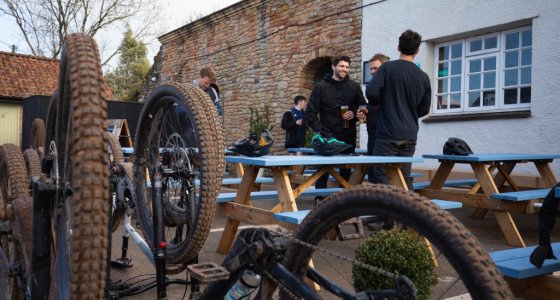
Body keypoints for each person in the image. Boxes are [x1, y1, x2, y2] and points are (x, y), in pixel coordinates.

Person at [366, 29, 431, 189]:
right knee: (404, 176)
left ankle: (386, 214)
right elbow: (424, 109)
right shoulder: (423, 76)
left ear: (398, 47)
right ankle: (405, 212)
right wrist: (409, 114)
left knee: (382, 175)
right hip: (409, 134)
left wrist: (383, 104)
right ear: (417, 50)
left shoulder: (387, 68)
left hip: (387, 133)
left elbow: (371, 93)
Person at [305, 54, 367, 202]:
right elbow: (310, 114)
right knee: (323, 171)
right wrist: (321, 131)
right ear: (333, 66)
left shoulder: (354, 86)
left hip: (348, 136)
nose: (344, 69)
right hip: (327, 136)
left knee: (345, 171)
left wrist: (356, 114)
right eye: (341, 66)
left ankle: (343, 202)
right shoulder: (320, 87)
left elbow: (364, 108)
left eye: (347, 67)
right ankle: (319, 200)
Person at [365, 53, 390, 183]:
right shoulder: (373, 86)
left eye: (376, 68)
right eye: (371, 69)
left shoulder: (391, 86)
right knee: (372, 174)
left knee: (381, 175)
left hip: (384, 137)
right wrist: (363, 113)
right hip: (372, 135)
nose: (372, 72)